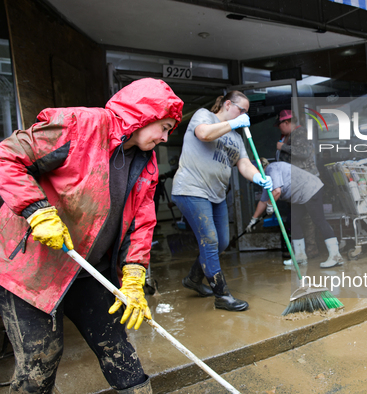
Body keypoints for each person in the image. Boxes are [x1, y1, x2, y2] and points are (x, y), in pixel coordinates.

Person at [0, 78, 183, 394]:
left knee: (117, 346)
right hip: (31, 269)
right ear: (145, 113)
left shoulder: (146, 163)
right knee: (41, 360)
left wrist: (135, 277)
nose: (165, 138)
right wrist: (37, 211)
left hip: (86, 270)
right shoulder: (81, 125)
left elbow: (142, 223)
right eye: (164, 126)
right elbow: (7, 156)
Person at [171, 91, 273, 312]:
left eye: (246, 113)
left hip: (217, 195)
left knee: (223, 242)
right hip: (192, 189)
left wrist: (258, 177)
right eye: (241, 110)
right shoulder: (204, 116)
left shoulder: (237, 137)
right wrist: (235, 122)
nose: (244, 115)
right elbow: (204, 134)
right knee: (210, 240)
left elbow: (244, 164)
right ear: (228, 104)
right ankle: (222, 295)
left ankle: (193, 279)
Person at [246, 159, 344, 269]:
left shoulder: (271, 168)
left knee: (319, 221)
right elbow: (263, 201)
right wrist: (253, 220)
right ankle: (300, 256)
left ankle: (336, 256)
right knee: (292, 221)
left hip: (311, 189)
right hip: (300, 196)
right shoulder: (265, 180)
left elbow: (277, 191)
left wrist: (270, 205)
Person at [274, 109, 320, 258]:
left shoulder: (300, 133)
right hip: (295, 184)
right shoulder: (288, 136)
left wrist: (283, 147)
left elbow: (304, 152)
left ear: (286, 123)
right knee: (297, 218)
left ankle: (310, 250)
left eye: (280, 125)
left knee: (305, 218)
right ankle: (301, 251)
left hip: (305, 183)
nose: (279, 128)